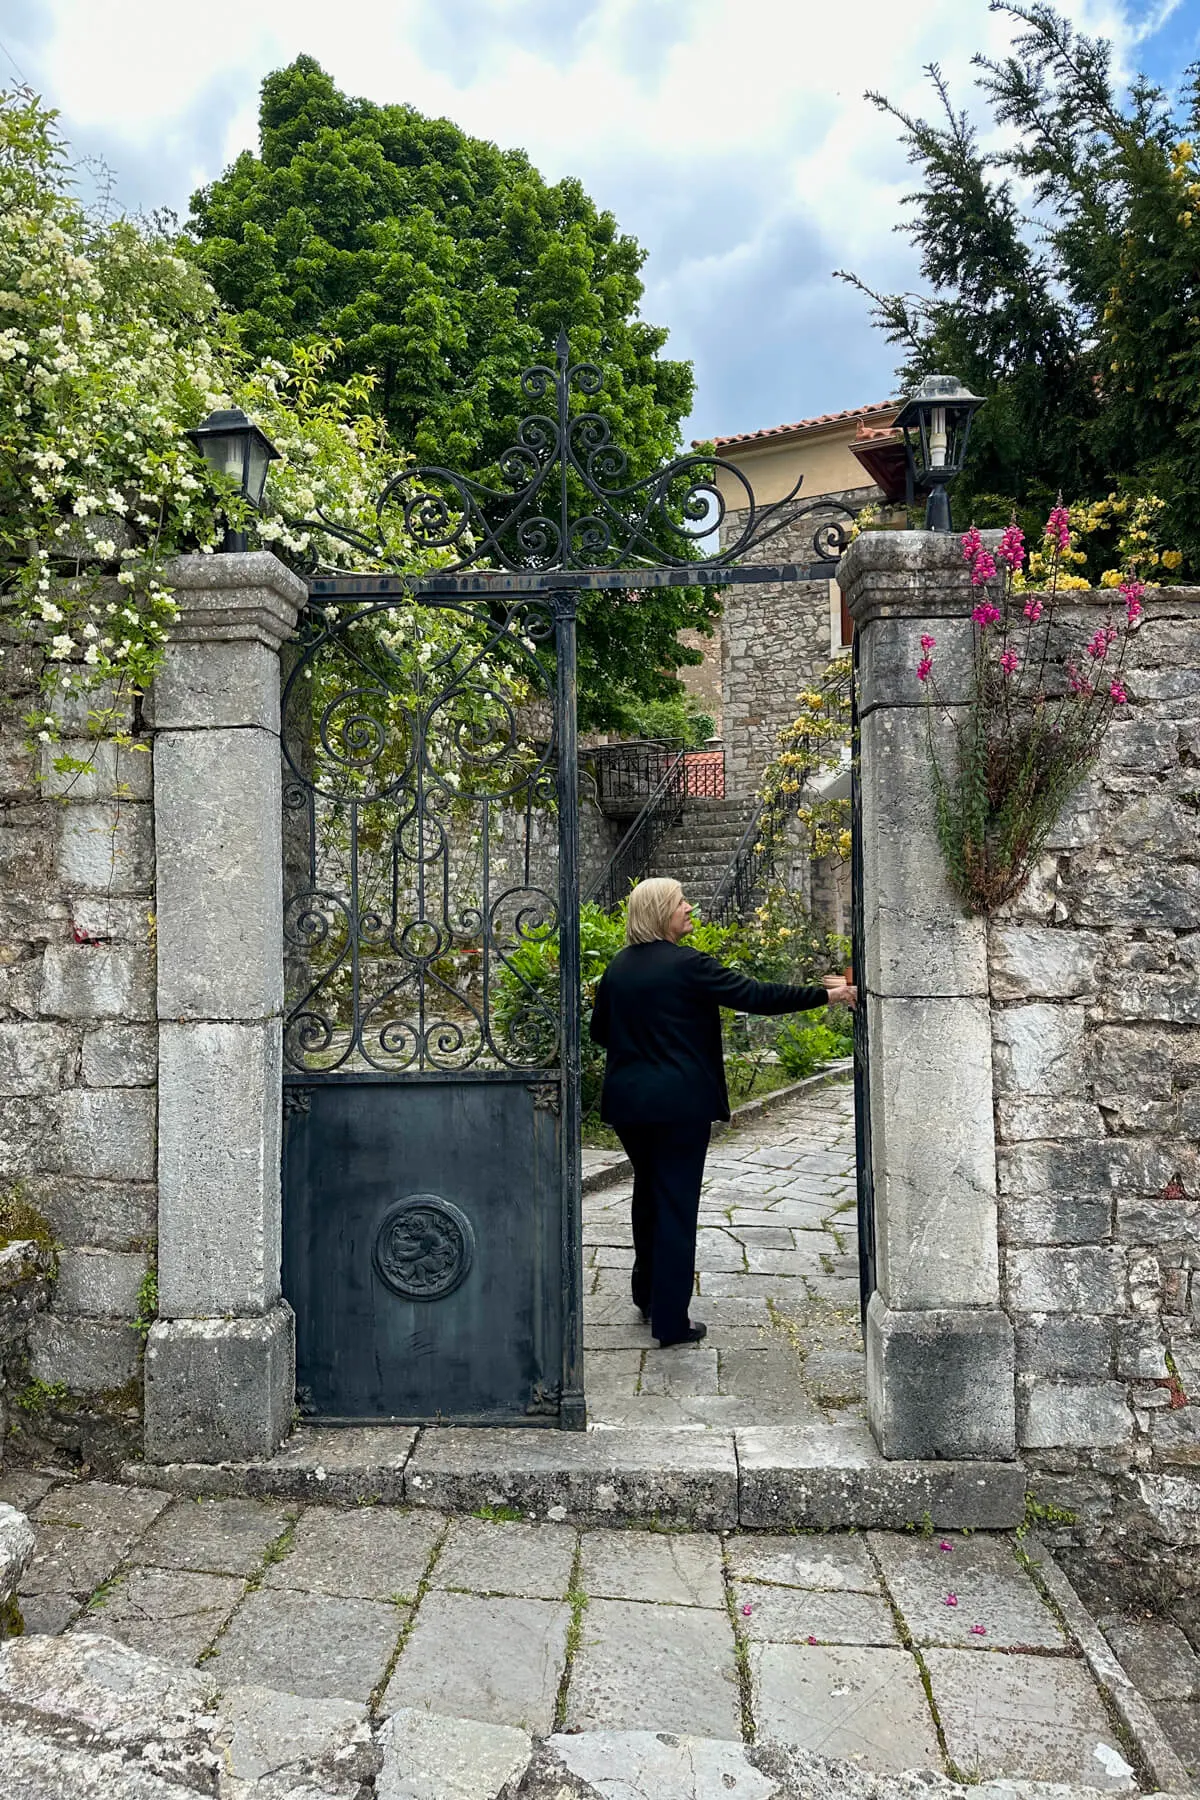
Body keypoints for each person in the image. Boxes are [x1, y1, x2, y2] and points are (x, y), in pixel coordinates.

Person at [589, 878, 856, 1348]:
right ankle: (670, 1322)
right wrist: (827, 995)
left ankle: (647, 1294)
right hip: (680, 1107)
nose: (689, 909)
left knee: (649, 1196)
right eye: (680, 903)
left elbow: (600, 1032)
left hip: (630, 1106)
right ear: (659, 912)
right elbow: (755, 996)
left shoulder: (618, 968)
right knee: (675, 1205)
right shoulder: (687, 965)